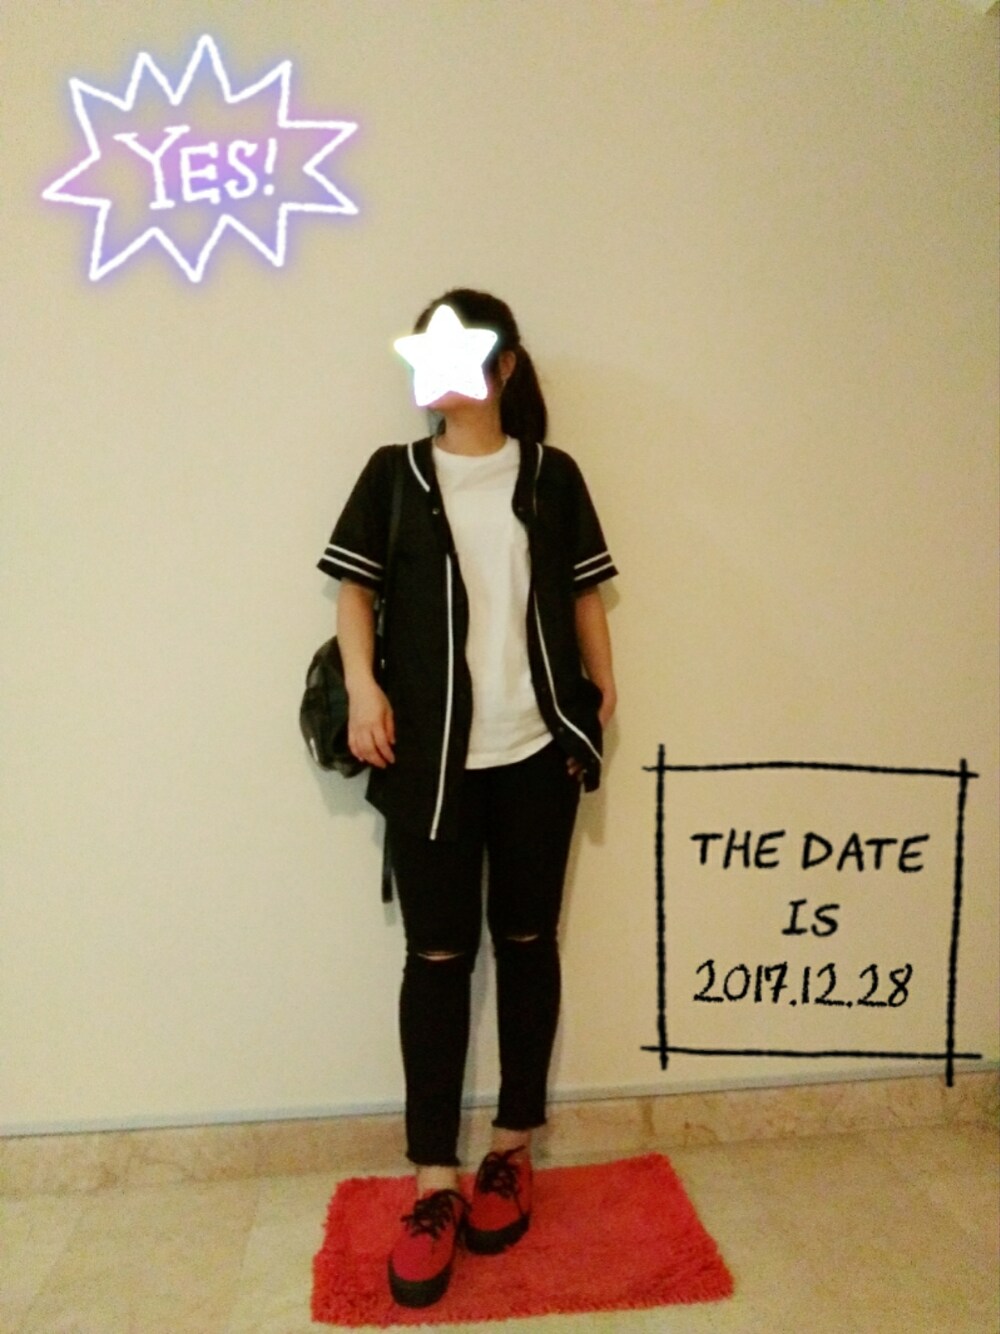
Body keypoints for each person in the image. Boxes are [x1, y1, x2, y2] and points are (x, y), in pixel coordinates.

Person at [318, 289, 617, 1308]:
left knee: (528, 944)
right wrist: (364, 689)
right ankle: (433, 1179)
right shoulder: (393, 475)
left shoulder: (550, 474)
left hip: (538, 754)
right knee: (437, 959)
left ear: (505, 366)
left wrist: (599, 698)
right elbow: (354, 590)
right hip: (429, 764)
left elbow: (582, 591)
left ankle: (511, 1146)